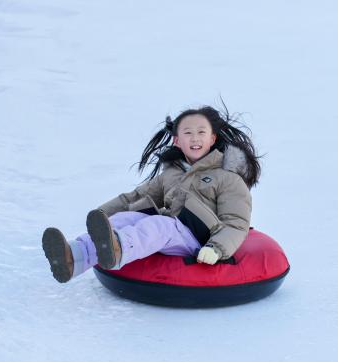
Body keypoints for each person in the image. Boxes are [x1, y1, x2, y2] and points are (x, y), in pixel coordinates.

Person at [42, 105, 261, 283]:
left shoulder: (228, 178)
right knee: (124, 218)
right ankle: (74, 258)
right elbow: (135, 197)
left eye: (201, 132)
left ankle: (118, 250)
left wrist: (216, 248)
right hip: (172, 233)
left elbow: (236, 222)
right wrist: (103, 213)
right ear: (177, 141)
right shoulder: (172, 173)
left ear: (212, 139)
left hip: (200, 240)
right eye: (188, 133)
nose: (195, 138)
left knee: (159, 225)